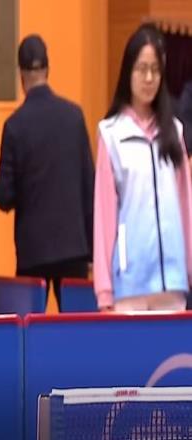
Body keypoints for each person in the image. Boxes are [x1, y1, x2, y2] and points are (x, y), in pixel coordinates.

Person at [94, 24, 192, 312]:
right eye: (141, 69)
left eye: (155, 70)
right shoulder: (111, 134)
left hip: (172, 283)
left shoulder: (174, 131)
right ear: (128, 72)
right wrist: (104, 292)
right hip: (130, 286)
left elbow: (186, 207)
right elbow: (104, 216)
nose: (149, 78)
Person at [0, 34, 94, 311]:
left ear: (21, 75)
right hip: (74, 248)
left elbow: (2, 196)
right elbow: (89, 186)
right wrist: (92, 251)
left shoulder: (14, 126)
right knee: (77, 329)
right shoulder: (74, 117)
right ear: (48, 69)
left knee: (31, 330)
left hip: (32, 251)